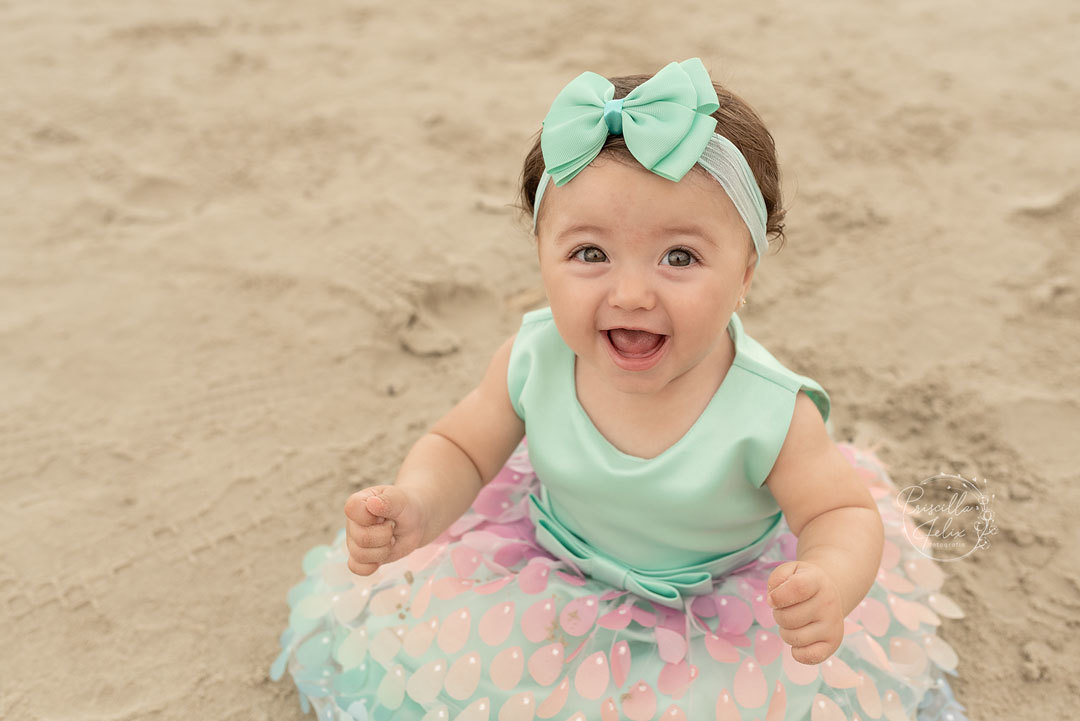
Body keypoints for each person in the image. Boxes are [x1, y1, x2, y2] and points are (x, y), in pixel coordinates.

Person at [270, 58, 970, 721]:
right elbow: (462, 445)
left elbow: (839, 513)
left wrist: (829, 580)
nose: (631, 292)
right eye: (589, 254)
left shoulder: (768, 409)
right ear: (542, 254)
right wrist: (419, 503)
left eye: (679, 256)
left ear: (746, 271)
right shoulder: (535, 356)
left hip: (719, 602)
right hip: (550, 566)